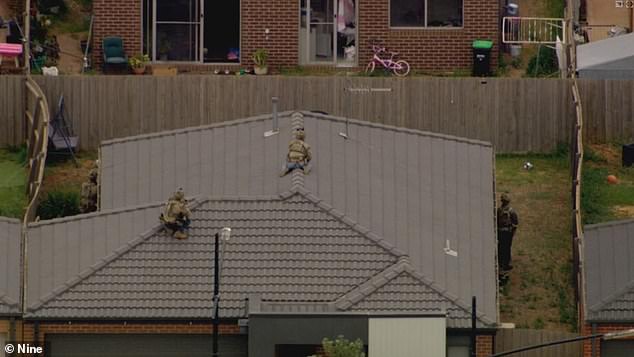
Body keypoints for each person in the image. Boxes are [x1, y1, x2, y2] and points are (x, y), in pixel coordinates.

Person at [498, 193, 519, 280]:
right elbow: (515, 223)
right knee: (506, 248)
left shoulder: (498, 210)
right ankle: (505, 265)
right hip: (507, 233)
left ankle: (501, 264)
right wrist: (513, 233)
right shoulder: (511, 211)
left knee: (501, 248)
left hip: (500, 233)